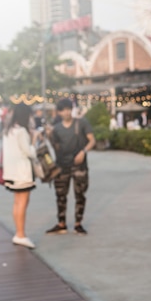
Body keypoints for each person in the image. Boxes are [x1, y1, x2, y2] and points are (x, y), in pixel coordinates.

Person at [45, 98, 96, 235]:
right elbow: (56, 148)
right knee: (60, 195)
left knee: (80, 194)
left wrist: (83, 152)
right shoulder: (56, 129)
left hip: (79, 166)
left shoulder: (82, 123)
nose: (67, 112)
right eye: (63, 110)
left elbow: (92, 140)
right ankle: (61, 223)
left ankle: (78, 223)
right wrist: (49, 136)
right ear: (59, 112)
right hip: (62, 166)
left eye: (69, 109)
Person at [2, 104, 38, 249]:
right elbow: (29, 152)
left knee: (17, 202)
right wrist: (34, 139)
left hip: (11, 171)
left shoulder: (9, 130)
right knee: (23, 202)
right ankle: (21, 234)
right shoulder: (22, 131)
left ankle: (19, 232)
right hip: (22, 172)